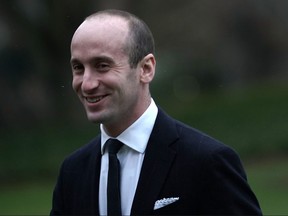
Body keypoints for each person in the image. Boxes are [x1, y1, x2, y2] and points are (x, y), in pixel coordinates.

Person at [50, 9, 262, 215]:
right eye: (78, 68)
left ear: (146, 69)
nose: (86, 84)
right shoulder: (72, 172)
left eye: (102, 65)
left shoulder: (206, 162)